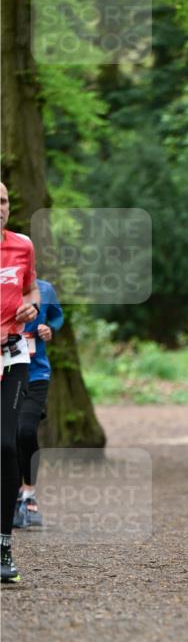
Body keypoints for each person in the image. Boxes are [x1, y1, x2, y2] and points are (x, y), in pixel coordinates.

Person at [0, 182, 40, 583]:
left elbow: (30, 288)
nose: (0, 208)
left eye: (4, 201)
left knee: (7, 443)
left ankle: (3, 544)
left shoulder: (22, 246)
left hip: (13, 356)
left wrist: (31, 307)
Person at [14, 278, 64, 527]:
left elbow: (57, 316)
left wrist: (49, 328)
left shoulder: (44, 289)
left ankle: (29, 494)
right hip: (6, 372)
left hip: (36, 374)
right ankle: (12, 496)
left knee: (26, 431)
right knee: (7, 437)